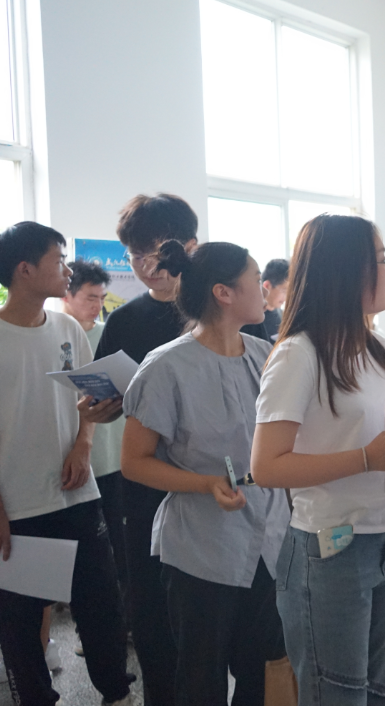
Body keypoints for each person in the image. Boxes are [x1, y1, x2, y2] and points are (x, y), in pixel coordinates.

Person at [122, 240, 290, 706]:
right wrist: (205, 483)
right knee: (201, 678)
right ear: (224, 292)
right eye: (254, 279)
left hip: (268, 543)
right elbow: (134, 462)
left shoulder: (265, 354)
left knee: (263, 673)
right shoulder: (166, 366)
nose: (264, 289)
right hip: (202, 547)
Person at [251, 215, 385, 706]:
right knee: (336, 696)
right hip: (332, 549)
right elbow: (267, 466)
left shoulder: (380, 347)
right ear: (346, 270)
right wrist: (364, 458)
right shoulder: (299, 354)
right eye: (381, 261)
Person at [0, 222, 132, 706]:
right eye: (58, 260)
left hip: (76, 492)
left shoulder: (68, 329)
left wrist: (83, 444)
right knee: (23, 619)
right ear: (25, 269)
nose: (67, 270)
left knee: (101, 603)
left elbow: (90, 400)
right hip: (21, 505)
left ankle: (117, 692)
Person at [93, 193, 198, 706]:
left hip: (210, 482)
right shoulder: (124, 320)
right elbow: (105, 403)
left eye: (154, 251)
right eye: (134, 255)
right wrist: (99, 408)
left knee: (211, 617)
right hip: (144, 485)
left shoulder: (224, 310)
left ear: (189, 246)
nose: (145, 266)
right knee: (152, 613)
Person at [61, 260, 129, 600]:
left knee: (120, 540)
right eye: (90, 297)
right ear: (67, 296)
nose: (97, 305)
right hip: (70, 458)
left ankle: (125, 613)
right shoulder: (57, 338)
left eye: (102, 298)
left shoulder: (110, 335)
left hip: (114, 457)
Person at [241, 258, 289, 341]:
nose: (287, 297)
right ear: (267, 286)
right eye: (284, 290)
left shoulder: (282, 315)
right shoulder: (252, 319)